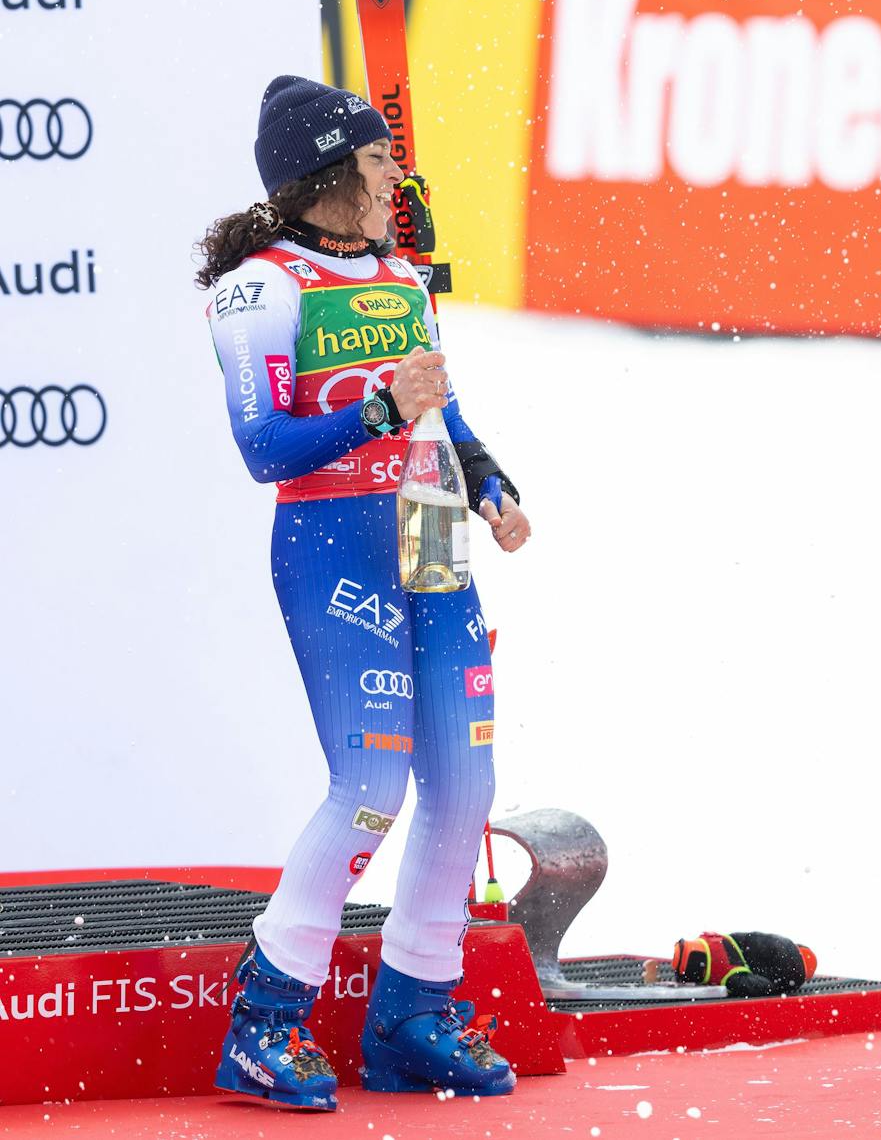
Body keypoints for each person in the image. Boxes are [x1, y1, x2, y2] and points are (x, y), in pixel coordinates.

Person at [196, 75, 531, 1109]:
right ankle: (264, 1019)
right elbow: (265, 449)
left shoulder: (398, 271)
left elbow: (445, 408)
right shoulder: (259, 288)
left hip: (428, 527)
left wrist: (488, 483)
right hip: (334, 536)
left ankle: (412, 1011)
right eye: (381, 158)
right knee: (370, 789)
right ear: (330, 172)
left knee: (464, 788)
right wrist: (384, 405)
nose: (399, 174)